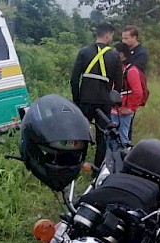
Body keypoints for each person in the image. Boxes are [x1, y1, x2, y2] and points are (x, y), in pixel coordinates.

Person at [70, 22, 122, 167]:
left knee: (80, 134)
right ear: (107, 35)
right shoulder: (114, 56)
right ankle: (97, 169)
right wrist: (114, 101)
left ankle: (76, 164)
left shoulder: (84, 52)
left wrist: (77, 100)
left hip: (85, 100)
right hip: (104, 103)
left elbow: (74, 80)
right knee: (102, 137)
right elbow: (118, 85)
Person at [111, 42, 143, 148]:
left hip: (124, 111)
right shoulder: (118, 67)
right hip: (114, 110)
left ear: (122, 54)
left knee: (122, 138)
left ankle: (123, 159)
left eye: (115, 52)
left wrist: (130, 109)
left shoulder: (131, 70)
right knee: (111, 138)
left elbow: (138, 92)